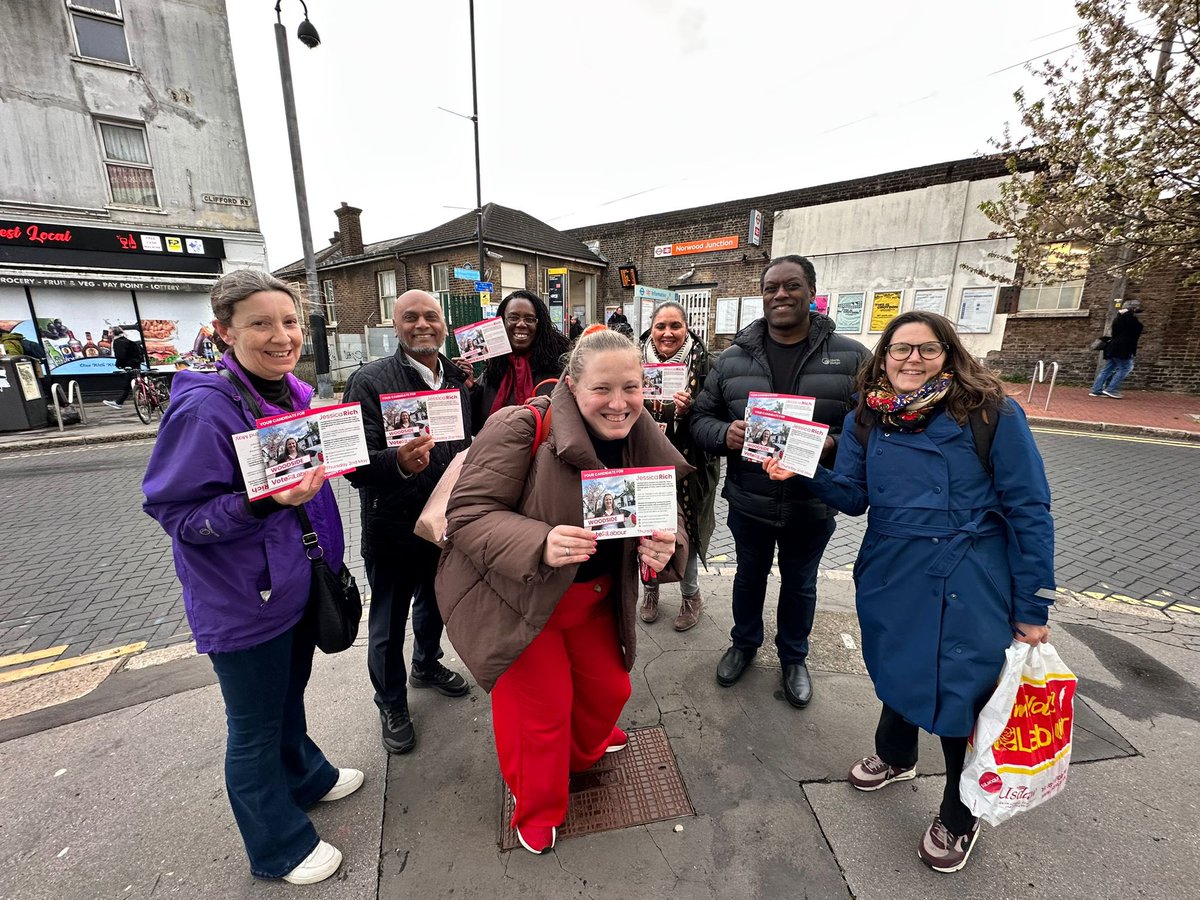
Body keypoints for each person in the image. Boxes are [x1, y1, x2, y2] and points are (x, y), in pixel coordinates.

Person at [763, 310, 1055, 873]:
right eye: (900, 349)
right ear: (884, 357)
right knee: (895, 663)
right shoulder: (868, 418)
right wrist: (800, 472)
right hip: (891, 569)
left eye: (926, 349)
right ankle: (897, 755)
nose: (911, 359)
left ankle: (960, 810)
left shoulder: (991, 413)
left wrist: (1033, 605)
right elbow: (852, 496)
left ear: (949, 353)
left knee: (960, 692)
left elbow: (1030, 510)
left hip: (967, 577)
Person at [142, 270, 360, 885]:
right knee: (254, 728)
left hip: (294, 586)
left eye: (288, 321)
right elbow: (177, 514)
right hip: (242, 600)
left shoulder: (292, 390)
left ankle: (308, 778)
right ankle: (278, 847)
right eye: (260, 323)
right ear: (223, 332)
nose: (280, 335)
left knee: (286, 699)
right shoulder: (203, 407)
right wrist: (264, 502)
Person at [435, 329, 690, 855]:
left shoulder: (643, 433)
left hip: (593, 598)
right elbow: (467, 516)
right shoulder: (521, 424)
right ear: (572, 386)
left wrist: (669, 545)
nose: (618, 403)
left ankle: (584, 745)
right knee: (540, 716)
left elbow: (667, 514)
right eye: (602, 389)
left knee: (609, 690)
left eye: (631, 387)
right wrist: (540, 542)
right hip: (521, 602)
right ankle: (536, 806)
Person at [691, 254, 869, 708]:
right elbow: (700, 418)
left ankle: (794, 657)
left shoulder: (851, 357)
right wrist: (724, 433)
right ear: (763, 296)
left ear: (811, 292)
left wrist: (829, 444)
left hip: (813, 501)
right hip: (750, 498)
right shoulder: (732, 359)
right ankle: (744, 645)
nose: (781, 295)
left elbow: (869, 424)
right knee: (748, 578)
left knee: (800, 584)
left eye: (791, 286)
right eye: (772, 288)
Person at [342, 290, 471, 757]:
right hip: (392, 526)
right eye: (410, 317)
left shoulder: (456, 377)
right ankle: (391, 702)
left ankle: (427, 665)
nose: (422, 325)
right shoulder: (370, 381)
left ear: (444, 325)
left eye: (431, 317)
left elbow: (464, 445)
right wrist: (395, 462)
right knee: (388, 623)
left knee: (436, 604)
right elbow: (353, 465)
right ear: (395, 326)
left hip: (442, 522)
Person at [638, 301, 720, 631]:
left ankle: (691, 596)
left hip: (691, 465)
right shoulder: (634, 362)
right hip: (647, 462)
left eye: (675, 326)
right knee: (648, 533)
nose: (667, 333)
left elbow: (716, 415)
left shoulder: (705, 365)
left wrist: (691, 409)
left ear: (687, 329)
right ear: (651, 330)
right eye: (661, 326)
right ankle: (650, 592)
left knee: (688, 534)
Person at [456, 289, 570, 433]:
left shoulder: (560, 371)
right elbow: (475, 425)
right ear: (502, 322)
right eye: (513, 318)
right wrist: (471, 388)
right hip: (498, 453)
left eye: (529, 319)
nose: (521, 324)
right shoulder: (492, 372)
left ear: (539, 326)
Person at [1090, 298, 1144, 398]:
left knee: (1107, 369)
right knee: (1126, 367)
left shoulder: (1118, 318)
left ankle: (1096, 389)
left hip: (1112, 347)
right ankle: (1111, 389)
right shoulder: (1130, 319)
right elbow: (1137, 329)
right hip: (1123, 348)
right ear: (1132, 309)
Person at [103, 326, 145, 410]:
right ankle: (148, 399)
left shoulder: (118, 342)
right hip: (136, 364)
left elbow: (120, 356)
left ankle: (119, 403)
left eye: (110, 332)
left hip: (130, 365)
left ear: (113, 333)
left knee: (128, 384)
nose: (109, 334)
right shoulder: (126, 340)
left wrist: (119, 365)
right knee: (136, 383)